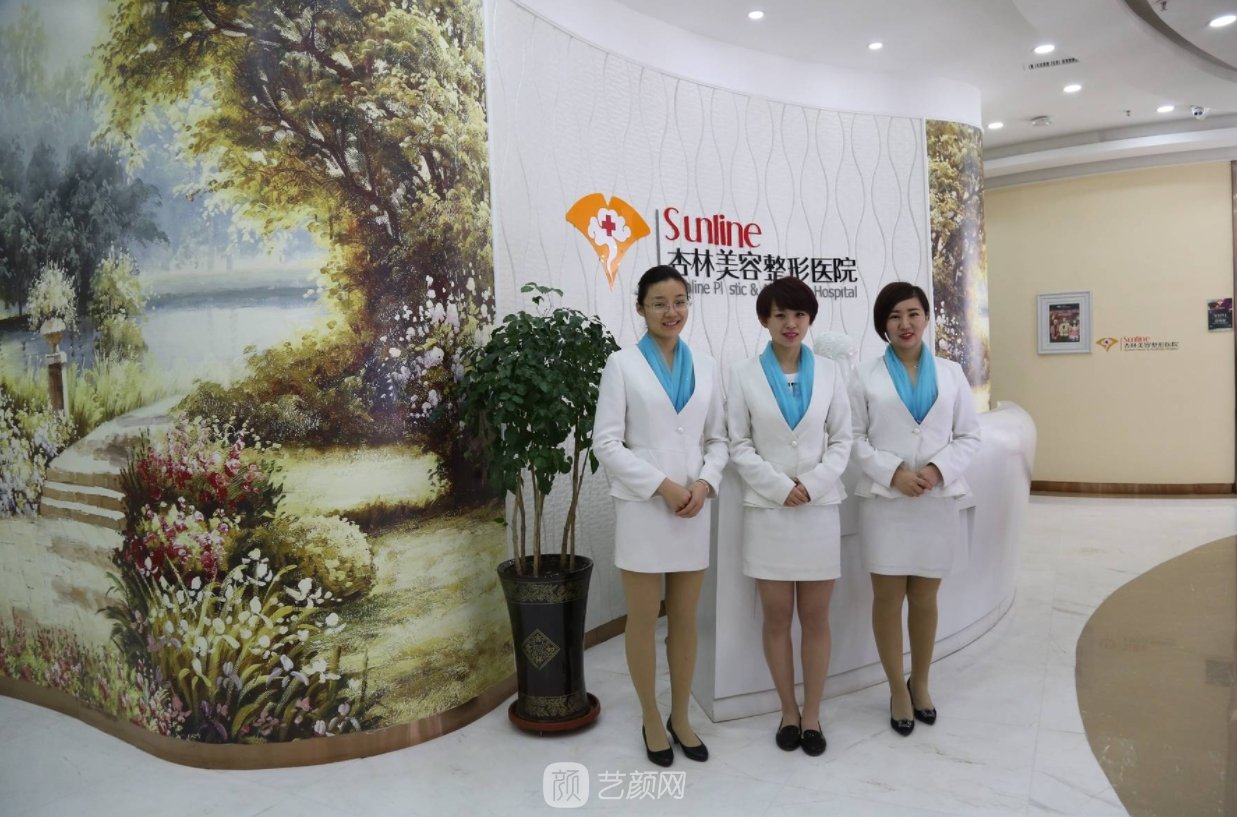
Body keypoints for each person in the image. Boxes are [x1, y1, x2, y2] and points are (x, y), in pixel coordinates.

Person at [592, 265, 728, 767]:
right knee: (645, 618)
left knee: (686, 618)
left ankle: (681, 716)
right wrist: (663, 486)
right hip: (645, 509)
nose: (672, 312)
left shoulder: (707, 366)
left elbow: (718, 439)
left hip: (693, 507)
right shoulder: (622, 364)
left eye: (679, 301)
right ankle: (651, 716)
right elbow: (606, 442)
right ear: (641, 308)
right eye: (659, 303)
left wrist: (705, 482)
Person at [849, 281, 981, 736]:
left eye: (912, 313)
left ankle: (920, 681)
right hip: (886, 502)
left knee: (925, 598)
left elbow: (969, 435)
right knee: (888, 600)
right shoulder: (864, 375)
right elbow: (853, 438)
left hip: (934, 500)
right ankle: (896, 689)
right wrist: (893, 473)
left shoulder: (951, 373)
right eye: (894, 316)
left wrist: (937, 470)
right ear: (882, 325)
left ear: (926, 317)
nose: (904, 324)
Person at [727, 277, 852, 757]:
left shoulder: (831, 373)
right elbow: (739, 444)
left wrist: (813, 483)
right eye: (780, 314)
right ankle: (788, 711)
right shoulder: (743, 374)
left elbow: (842, 439)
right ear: (765, 320)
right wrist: (781, 487)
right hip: (770, 511)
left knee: (816, 618)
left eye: (799, 314)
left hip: (818, 511)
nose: (790, 323)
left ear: (810, 319)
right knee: (777, 617)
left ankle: (813, 714)